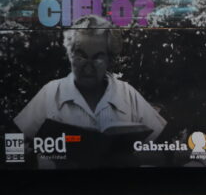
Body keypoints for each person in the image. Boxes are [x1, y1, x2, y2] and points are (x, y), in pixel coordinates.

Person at [14, 14, 166, 141]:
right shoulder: (51, 92)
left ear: (109, 60)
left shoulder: (127, 94)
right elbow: (18, 144)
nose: (88, 67)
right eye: (81, 56)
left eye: (98, 57)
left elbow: (161, 146)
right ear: (71, 56)